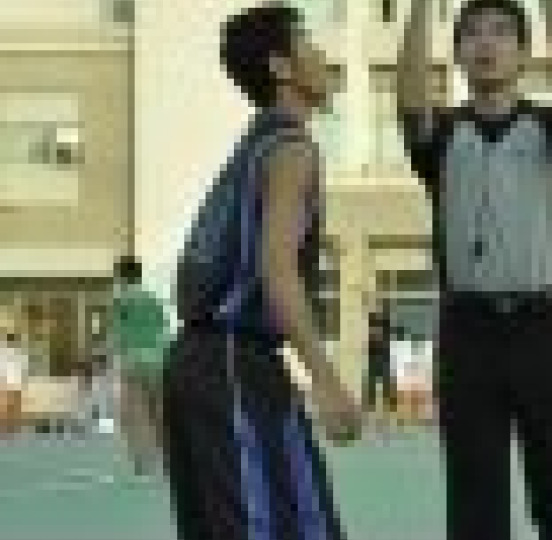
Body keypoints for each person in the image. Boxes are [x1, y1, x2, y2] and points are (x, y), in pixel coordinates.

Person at [396, 0, 552, 539]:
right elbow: (410, 99)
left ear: (525, 54)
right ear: (458, 54)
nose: (486, 43)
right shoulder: (442, 134)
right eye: (473, 34)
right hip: (468, 333)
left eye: (502, 32)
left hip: (543, 330)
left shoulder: (547, 128)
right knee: (474, 503)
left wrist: (551, 11)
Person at [162, 4, 360, 540]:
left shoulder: (252, 148)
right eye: (309, 43)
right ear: (281, 66)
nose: (322, 55)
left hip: (200, 362)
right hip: (232, 361)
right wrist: (325, 379)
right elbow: (277, 271)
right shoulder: (291, 150)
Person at [107, 256, 170, 473]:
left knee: (135, 416)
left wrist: (111, 357)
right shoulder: (153, 299)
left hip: (134, 364)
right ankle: (168, 460)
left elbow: (117, 335)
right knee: (160, 414)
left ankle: (143, 463)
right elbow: (164, 329)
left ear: (121, 276)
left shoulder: (121, 301)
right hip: (160, 362)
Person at [363, 307, 399, 437]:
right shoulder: (371, 335)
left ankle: (390, 416)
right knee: (372, 390)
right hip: (375, 361)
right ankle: (371, 416)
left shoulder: (385, 332)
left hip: (383, 361)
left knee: (387, 389)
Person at [0, 332, 28, 437]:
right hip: (13, 385)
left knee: (7, 409)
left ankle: (8, 429)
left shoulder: (7, 352)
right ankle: (10, 428)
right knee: (11, 409)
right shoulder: (17, 353)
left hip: (8, 385)